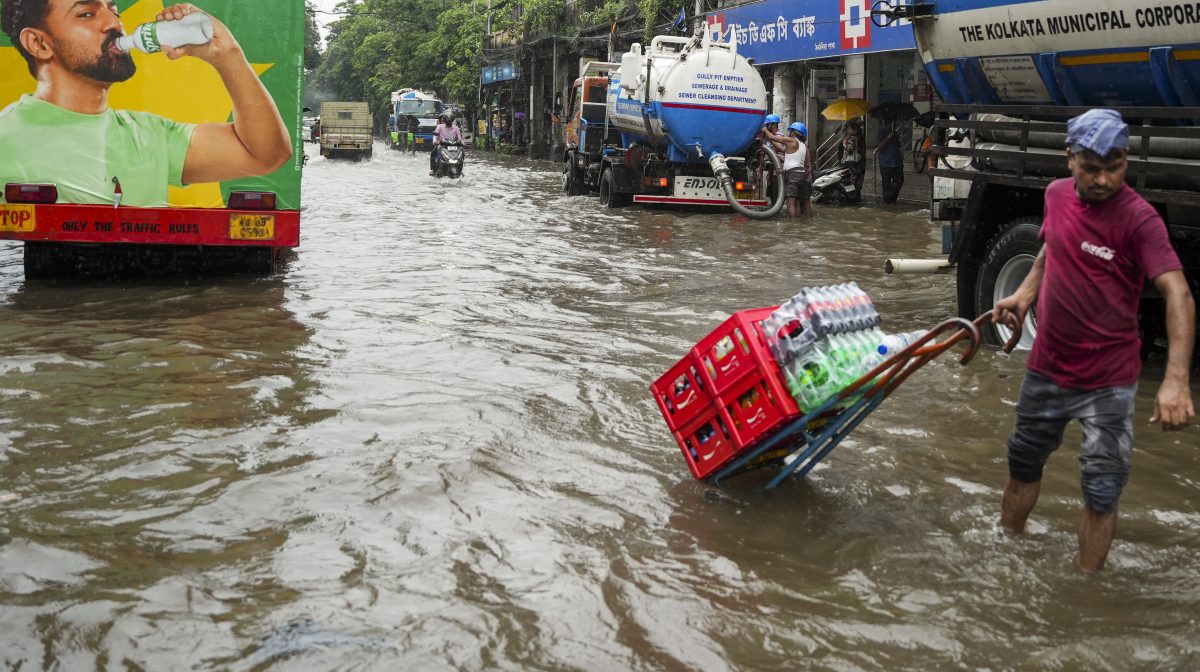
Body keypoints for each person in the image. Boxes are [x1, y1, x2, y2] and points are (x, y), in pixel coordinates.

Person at [991, 108, 1195, 573]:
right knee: (1023, 465)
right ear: (1070, 159)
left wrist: (1176, 380)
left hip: (1108, 382)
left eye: (1115, 167)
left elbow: (1179, 294)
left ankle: (1088, 589)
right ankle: (1006, 557)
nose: (1104, 179)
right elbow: (1051, 245)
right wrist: (1024, 294)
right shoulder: (1056, 194)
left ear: (1126, 161)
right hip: (1046, 369)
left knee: (1102, 491)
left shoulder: (1140, 220)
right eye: (1091, 168)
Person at [0, 0, 291, 207]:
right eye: (86, 13)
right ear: (39, 43)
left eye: (114, 9)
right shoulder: (6, 136)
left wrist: (227, 54)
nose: (115, 23)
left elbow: (265, 154)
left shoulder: (148, 134)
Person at [766, 121, 813, 219]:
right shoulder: (802, 145)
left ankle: (792, 224)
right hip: (801, 175)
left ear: (794, 132)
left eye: (791, 131)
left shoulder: (792, 141)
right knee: (798, 202)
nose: (789, 133)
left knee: (790, 202)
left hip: (793, 175)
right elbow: (784, 150)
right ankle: (804, 222)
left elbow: (772, 137)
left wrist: (764, 129)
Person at [875, 121, 903, 203]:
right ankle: (887, 201)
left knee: (899, 180)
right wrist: (888, 138)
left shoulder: (894, 132)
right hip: (886, 162)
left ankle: (892, 199)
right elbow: (880, 147)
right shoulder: (881, 132)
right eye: (889, 124)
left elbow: (898, 145)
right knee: (886, 184)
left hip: (897, 161)